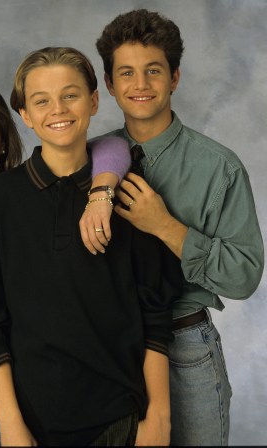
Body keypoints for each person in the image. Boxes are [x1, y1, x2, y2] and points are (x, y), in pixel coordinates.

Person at [0, 46, 182, 446]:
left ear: (94, 101)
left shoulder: (130, 192)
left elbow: (156, 311)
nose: (58, 109)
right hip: (31, 423)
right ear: (25, 115)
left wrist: (159, 419)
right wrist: (10, 423)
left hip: (120, 419)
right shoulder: (1, 197)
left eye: (70, 95)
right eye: (41, 101)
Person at [84, 9, 264, 445]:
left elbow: (244, 276)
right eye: (126, 73)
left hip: (186, 347)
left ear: (175, 78)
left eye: (153, 71)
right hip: (108, 349)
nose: (140, 84)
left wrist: (167, 227)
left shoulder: (219, 167)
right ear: (109, 84)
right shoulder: (86, 161)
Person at [0, 80, 130, 446]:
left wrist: (101, 192)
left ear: (1, 144)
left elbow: (113, 145)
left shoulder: (22, 200)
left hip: (12, 376)